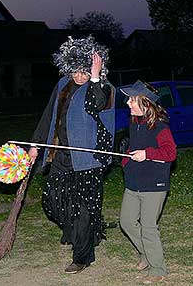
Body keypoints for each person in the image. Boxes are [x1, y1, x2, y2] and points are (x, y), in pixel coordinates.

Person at [27, 36, 115, 274]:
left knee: (83, 209)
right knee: (53, 201)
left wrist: (95, 77)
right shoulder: (62, 85)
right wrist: (35, 146)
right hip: (61, 156)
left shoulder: (104, 88)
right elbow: (49, 116)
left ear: (94, 69)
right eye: (75, 71)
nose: (79, 77)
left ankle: (83, 256)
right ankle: (83, 231)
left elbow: (96, 104)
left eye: (84, 72)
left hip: (88, 161)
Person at [119, 80, 177, 284]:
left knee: (148, 226)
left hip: (154, 185)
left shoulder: (160, 127)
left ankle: (158, 268)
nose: (127, 103)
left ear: (145, 103)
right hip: (134, 183)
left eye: (132, 100)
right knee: (126, 221)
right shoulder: (135, 123)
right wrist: (125, 160)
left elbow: (170, 153)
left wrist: (147, 154)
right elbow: (134, 148)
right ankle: (147, 253)